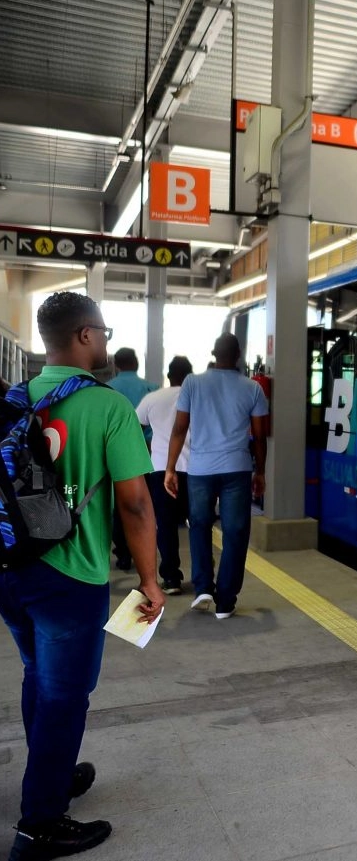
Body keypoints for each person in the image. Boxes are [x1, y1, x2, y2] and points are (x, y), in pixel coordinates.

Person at [0, 292, 163, 861]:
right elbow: (136, 505)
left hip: (11, 570)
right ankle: (39, 826)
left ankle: (53, 773)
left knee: (36, 677)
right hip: (72, 578)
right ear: (87, 335)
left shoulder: (16, 399)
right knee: (66, 696)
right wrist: (151, 579)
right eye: (105, 331)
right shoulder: (107, 405)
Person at [164, 333, 268, 620]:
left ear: (213, 353)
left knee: (199, 526)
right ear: (238, 356)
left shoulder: (192, 383)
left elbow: (179, 428)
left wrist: (171, 468)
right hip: (237, 468)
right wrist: (260, 471)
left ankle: (202, 590)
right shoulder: (253, 389)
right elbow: (260, 437)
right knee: (235, 533)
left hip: (200, 469)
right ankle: (226, 601)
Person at [135, 356, 193, 596]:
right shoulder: (197, 397)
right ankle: (203, 576)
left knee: (165, 525)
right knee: (199, 523)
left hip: (160, 468)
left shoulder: (153, 398)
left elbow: (135, 426)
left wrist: (147, 448)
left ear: (168, 376)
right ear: (189, 377)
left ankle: (171, 578)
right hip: (195, 468)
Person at [106, 347, 157, 573]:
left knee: (119, 506)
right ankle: (144, 554)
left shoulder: (106, 389)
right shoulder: (151, 389)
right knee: (143, 505)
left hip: (114, 455)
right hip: (146, 453)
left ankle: (123, 554)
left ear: (116, 365)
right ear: (136, 363)